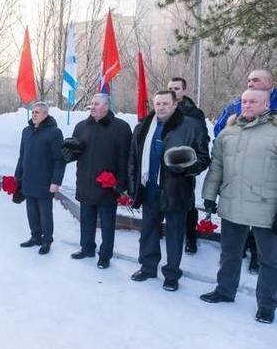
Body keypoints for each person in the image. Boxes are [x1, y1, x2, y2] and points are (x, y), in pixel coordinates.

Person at [200, 89, 277, 324]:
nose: (248, 105)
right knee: (230, 252)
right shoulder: (228, 132)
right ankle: (224, 290)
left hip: (267, 208)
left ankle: (266, 305)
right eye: (244, 101)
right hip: (233, 203)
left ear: (266, 104)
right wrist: (210, 195)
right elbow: (217, 168)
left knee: (270, 260)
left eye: (254, 101)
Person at [128, 91, 210, 291]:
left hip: (176, 189)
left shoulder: (192, 126)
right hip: (150, 189)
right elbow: (133, 159)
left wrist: (184, 166)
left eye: (165, 103)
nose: (161, 107)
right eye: (158, 104)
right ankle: (147, 267)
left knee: (174, 234)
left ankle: (171, 275)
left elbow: (203, 158)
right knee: (148, 231)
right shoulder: (143, 126)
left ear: (175, 105)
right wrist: (132, 186)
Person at [213, 69, 276, 271]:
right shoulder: (236, 104)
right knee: (231, 248)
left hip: (265, 197)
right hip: (237, 191)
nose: (251, 83)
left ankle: (265, 296)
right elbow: (219, 130)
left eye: (256, 80)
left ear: (269, 83)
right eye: (248, 80)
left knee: (268, 253)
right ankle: (226, 288)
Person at [66, 93, 131, 268]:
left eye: (96, 104)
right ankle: (86, 248)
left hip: (107, 186)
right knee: (86, 220)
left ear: (107, 106)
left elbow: (125, 158)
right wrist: (68, 153)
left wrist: (121, 184)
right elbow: (75, 152)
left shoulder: (121, 128)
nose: (92, 107)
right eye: (91, 104)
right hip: (85, 182)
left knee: (107, 224)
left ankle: (105, 255)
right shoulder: (81, 126)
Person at [15, 102, 65, 255]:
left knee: (45, 213)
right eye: (33, 112)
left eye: (37, 112)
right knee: (31, 211)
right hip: (28, 179)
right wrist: (18, 175)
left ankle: (46, 240)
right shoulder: (26, 131)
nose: (34, 115)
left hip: (45, 181)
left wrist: (56, 181)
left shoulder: (54, 132)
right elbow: (22, 155)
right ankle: (35, 236)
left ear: (45, 114)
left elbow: (59, 159)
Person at [167, 77, 210, 254]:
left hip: (185, 164)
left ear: (184, 90)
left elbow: (202, 139)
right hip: (165, 164)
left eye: (176, 88)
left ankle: (191, 237)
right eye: (170, 88)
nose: (173, 91)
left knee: (187, 203)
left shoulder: (195, 113)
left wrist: (189, 160)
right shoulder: (164, 108)